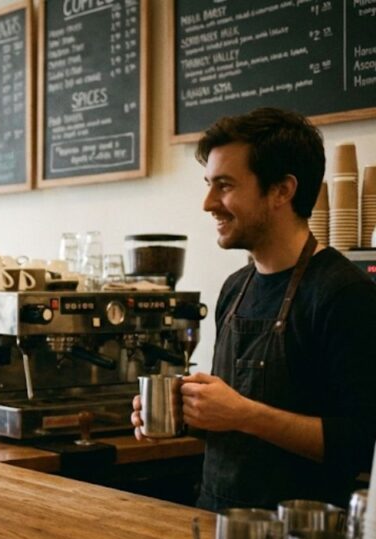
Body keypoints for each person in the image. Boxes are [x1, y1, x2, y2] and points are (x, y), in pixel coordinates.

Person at [130, 108, 376, 511]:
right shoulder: (235, 288)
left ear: (282, 191)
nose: (208, 203)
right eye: (209, 185)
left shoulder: (344, 293)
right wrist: (185, 415)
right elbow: (233, 423)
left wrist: (244, 414)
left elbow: (362, 444)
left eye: (224, 186)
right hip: (215, 522)